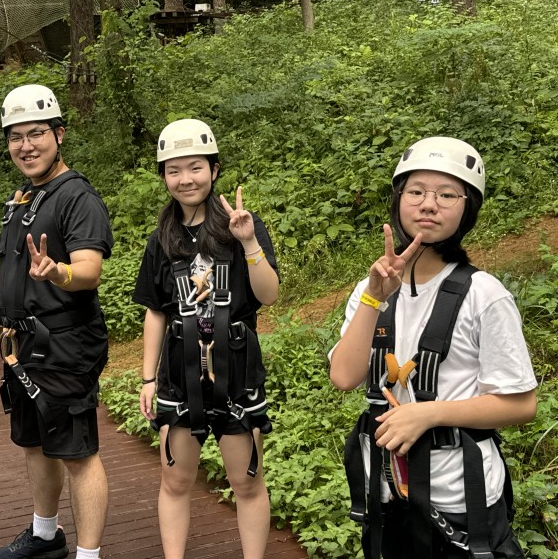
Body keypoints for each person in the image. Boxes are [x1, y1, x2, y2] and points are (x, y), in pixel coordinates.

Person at [329, 136, 538, 559]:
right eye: (417, 192)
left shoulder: (483, 294)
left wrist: (428, 413)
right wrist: (374, 297)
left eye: (447, 194)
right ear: (399, 200)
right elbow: (344, 377)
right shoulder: (369, 289)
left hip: (461, 499)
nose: (429, 205)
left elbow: (521, 404)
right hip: (388, 492)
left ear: (467, 209)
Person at [133, 118, 280, 559]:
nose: (185, 179)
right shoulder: (162, 239)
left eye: (195, 167)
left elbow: (268, 295)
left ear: (214, 170)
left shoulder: (240, 226)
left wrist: (249, 242)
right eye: (174, 170)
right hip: (179, 371)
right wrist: (146, 378)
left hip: (235, 368)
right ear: (163, 177)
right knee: (175, 481)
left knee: (247, 483)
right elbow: (156, 311)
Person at [0, 84, 113, 559]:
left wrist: (58, 271)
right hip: (22, 343)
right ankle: (44, 535)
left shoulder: (76, 197)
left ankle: (89, 555)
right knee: (35, 442)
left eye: (36, 134)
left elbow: (90, 270)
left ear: (59, 134)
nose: (26, 145)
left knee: (77, 452)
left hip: (64, 340)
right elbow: (6, 267)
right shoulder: (21, 199)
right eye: (15, 137)